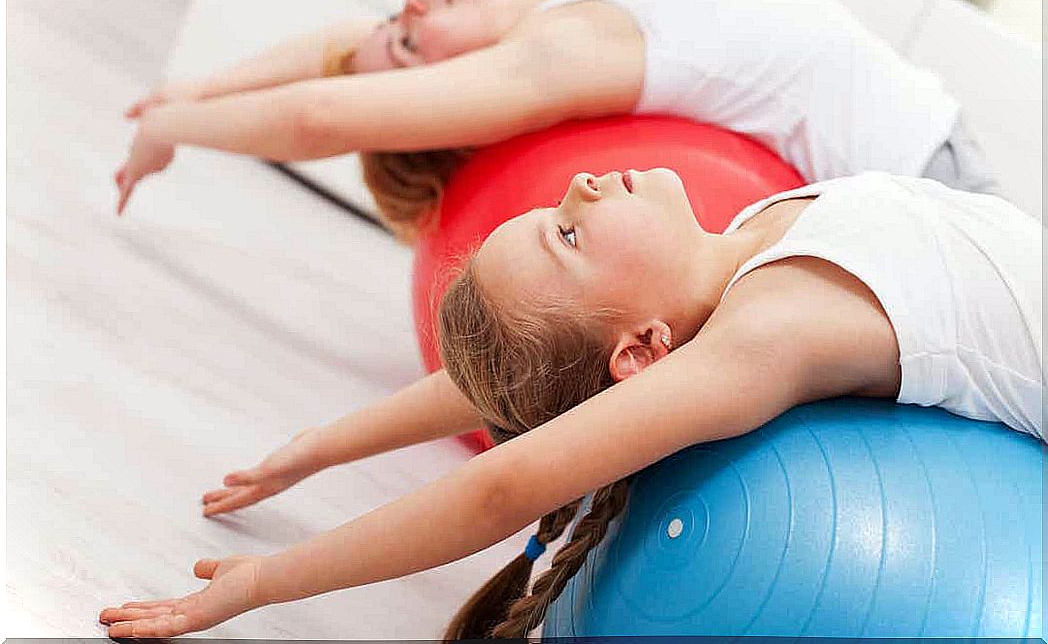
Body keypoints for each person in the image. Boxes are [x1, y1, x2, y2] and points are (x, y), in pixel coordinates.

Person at [98, 165, 1042, 638]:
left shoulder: (750, 240)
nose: (583, 185)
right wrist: (261, 584)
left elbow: (507, 386)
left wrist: (325, 444)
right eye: (568, 234)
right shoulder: (769, 333)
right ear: (639, 351)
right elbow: (499, 487)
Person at [116, 0, 1003, 235]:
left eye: (399, 16)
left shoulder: (562, 8)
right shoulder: (556, 59)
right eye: (413, 41)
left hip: (934, 149)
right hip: (927, 190)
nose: (412, 2)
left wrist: (187, 92)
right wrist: (175, 131)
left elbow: (342, 48)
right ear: (450, 95)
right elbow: (323, 111)